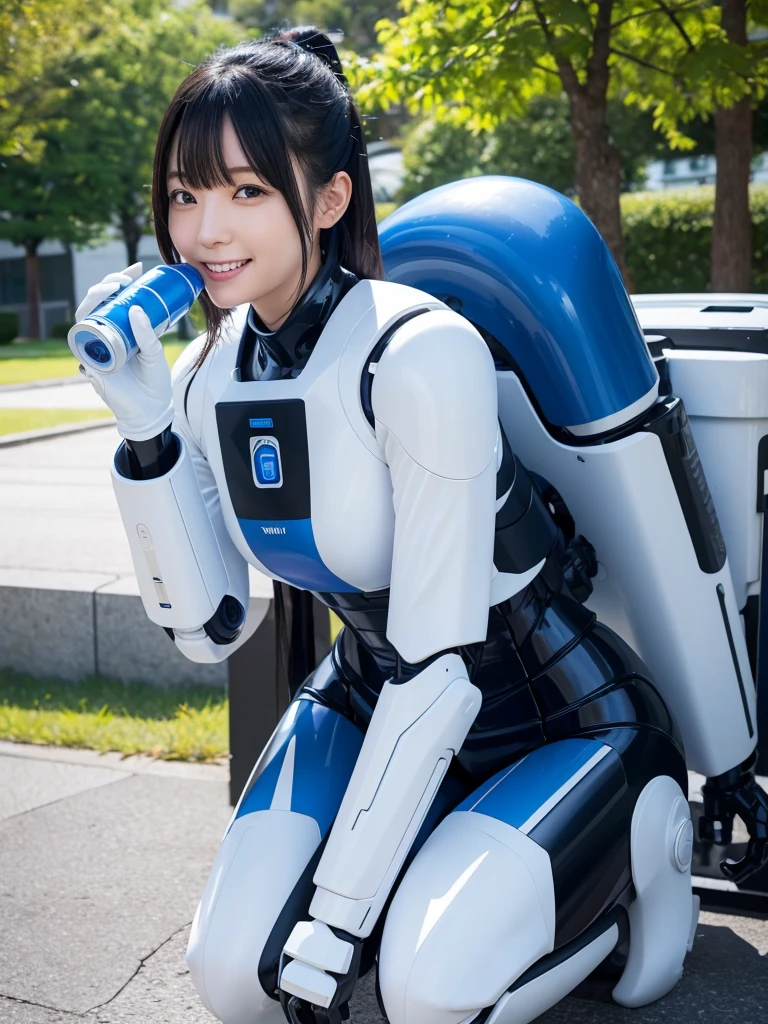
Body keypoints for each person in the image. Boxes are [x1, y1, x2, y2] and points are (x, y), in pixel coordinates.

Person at [76, 28, 702, 1024]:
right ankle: (433, 876)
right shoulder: (207, 372)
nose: (204, 231)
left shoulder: (416, 351)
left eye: (245, 191)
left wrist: (337, 925)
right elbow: (212, 626)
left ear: (327, 200)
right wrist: (147, 430)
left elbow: (439, 670)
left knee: (421, 987)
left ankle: (625, 888)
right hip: (371, 698)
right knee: (234, 975)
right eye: (186, 194)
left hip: (562, 719)